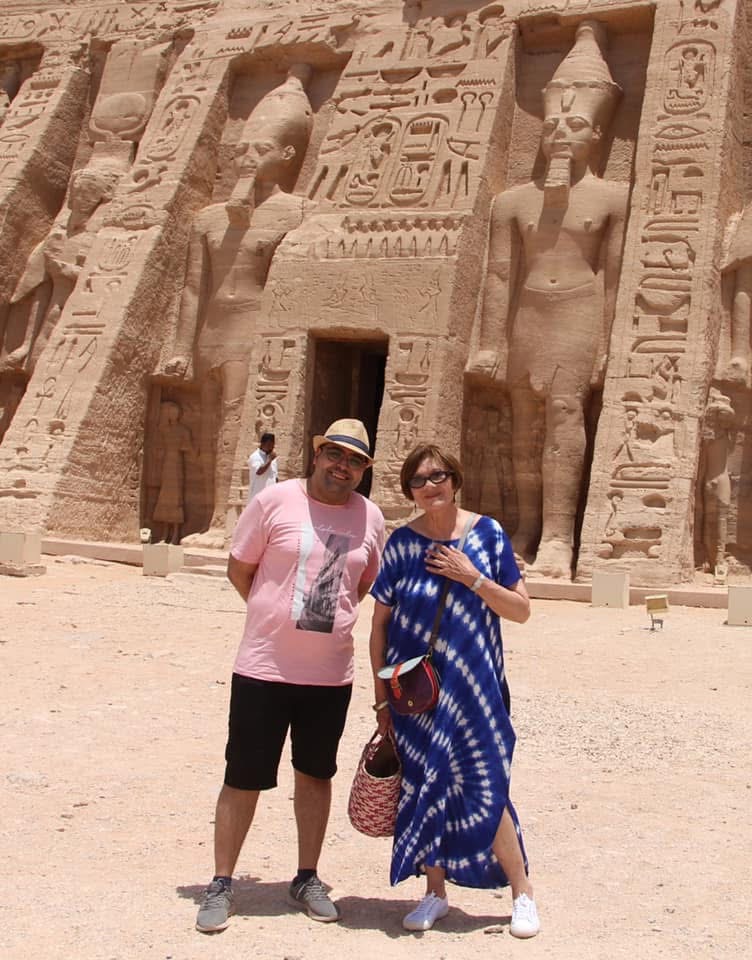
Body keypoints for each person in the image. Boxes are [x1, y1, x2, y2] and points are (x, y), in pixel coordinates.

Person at [195, 418, 385, 933]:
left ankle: (306, 876)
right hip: (265, 666)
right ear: (318, 454)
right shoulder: (275, 501)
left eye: (355, 461)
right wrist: (271, 613)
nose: (343, 467)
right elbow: (240, 569)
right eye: (336, 455)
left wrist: (326, 621)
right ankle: (222, 881)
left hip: (329, 673)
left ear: (364, 470)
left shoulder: (370, 516)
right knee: (243, 775)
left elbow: (362, 583)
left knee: (316, 775)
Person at [467, 20, 628, 578]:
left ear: (597, 134)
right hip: (528, 318)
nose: (561, 133)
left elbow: (613, 276)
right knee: (522, 426)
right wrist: (489, 342)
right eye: (553, 124)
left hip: (579, 315)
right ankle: (525, 530)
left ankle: (559, 537)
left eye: (575, 124)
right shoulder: (511, 202)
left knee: (563, 416)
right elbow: (498, 275)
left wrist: (609, 345)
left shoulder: (612, 198)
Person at [368, 443, 539, 938]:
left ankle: (522, 893)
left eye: (438, 476)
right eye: (418, 480)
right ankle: (435, 893)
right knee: (426, 784)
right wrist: (381, 698)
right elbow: (379, 626)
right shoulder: (401, 544)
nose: (429, 486)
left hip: (475, 689)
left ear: (455, 479)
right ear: (409, 490)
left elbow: (521, 610)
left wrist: (473, 578)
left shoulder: (487, 534)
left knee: (487, 785)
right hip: (417, 693)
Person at [165, 66, 313, 547]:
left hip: (256, 331)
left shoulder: (296, 212)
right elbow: (193, 288)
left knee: (247, 427)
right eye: (242, 149)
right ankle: (215, 517)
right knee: (214, 429)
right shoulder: (208, 220)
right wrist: (180, 347)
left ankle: (235, 522)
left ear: (287, 155)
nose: (248, 158)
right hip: (212, 332)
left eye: (260, 149)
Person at [247, 432, 278, 502]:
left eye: (272, 446)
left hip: (270, 497)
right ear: (262, 444)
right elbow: (259, 471)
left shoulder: (271, 457)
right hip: (258, 497)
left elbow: (275, 476)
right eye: (269, 445)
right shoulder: (255, 456)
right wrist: (269, 460)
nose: (271, 448)